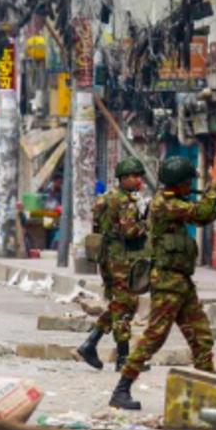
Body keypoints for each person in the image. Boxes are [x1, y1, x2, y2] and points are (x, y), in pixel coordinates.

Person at [109, 156, 216, 410]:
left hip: (181, 282)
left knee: (201, 336)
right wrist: (214, 185)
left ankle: (207, 390)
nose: (189, 185)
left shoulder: (176, 202)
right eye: (187, 182)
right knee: (154, 337)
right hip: (166, 283)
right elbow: (200, 211)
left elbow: (200, 216)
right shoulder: (164, 204)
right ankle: (121, 390)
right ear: (179, 183)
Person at [77, 157, 149, 371]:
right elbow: (130, 231)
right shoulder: (125, 201)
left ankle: (91, 343)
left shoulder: (104, 198)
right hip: (121, 259)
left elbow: (98, 226)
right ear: (124, 178)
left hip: (106, 257)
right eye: (135, 176)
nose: (138, 180)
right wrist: (147, 223)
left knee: (123, 303)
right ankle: (123, 358)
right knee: (123, 305)